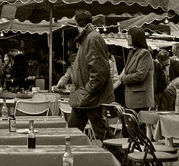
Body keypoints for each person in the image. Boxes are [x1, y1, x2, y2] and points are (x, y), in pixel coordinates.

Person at [55, 9, 113, 140]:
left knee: (100, 132)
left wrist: (89, 89)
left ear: (78, 23)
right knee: (74, 132)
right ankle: (70, 156)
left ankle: (122, 158)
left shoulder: (92, 38)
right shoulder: (88, 38)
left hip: (90, 96)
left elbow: (100, 70)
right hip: (84, 96)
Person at [117, 27, 155, 113]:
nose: (127, 38)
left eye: (129, 36)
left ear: (135, 37)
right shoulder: (131, 53)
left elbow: (140, 75)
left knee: (138, 125)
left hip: (140, 101)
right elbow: (126, 71)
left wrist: (123, 79)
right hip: (131, 100)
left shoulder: (145, 53)